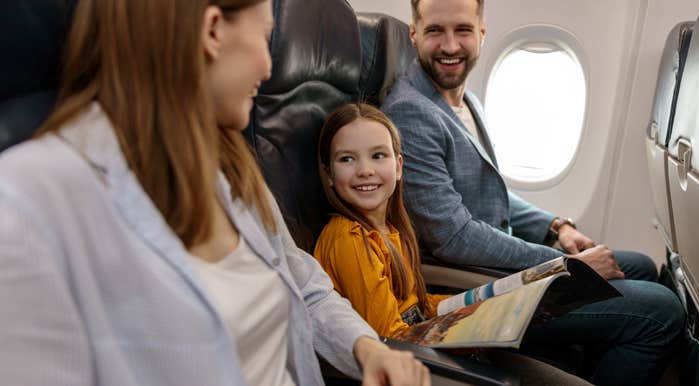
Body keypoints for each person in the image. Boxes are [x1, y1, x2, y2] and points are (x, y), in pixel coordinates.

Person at [0, 1, 430, 385]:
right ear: (210, 30)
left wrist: (368, 349)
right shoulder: (30, 205)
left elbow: (307, 287)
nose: (268, 68)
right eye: (265, 38)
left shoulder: (230, 166)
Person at [381, 0, 686, 385]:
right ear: (414, 34)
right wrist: (567, 268)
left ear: (481, 32)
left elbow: (490, 193)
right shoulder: (411, 113)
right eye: (434, 31)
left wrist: (556, 227)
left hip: (490, 267)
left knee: (640, 264)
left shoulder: (464, 100)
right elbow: (453, 238)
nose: (450, 45)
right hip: (465, 289)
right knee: (661, 311)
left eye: (462, 30)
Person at [314, 103, 592, 386]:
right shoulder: (349, 239)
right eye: (347, 159)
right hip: (418, 364)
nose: (365, 170)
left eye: (378, 155)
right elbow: (389, 338)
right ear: (329, 175)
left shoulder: (394, 229)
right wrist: (464, 334)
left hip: (429, 347)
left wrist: (477, 306)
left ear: (398, 167)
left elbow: (417, 306)